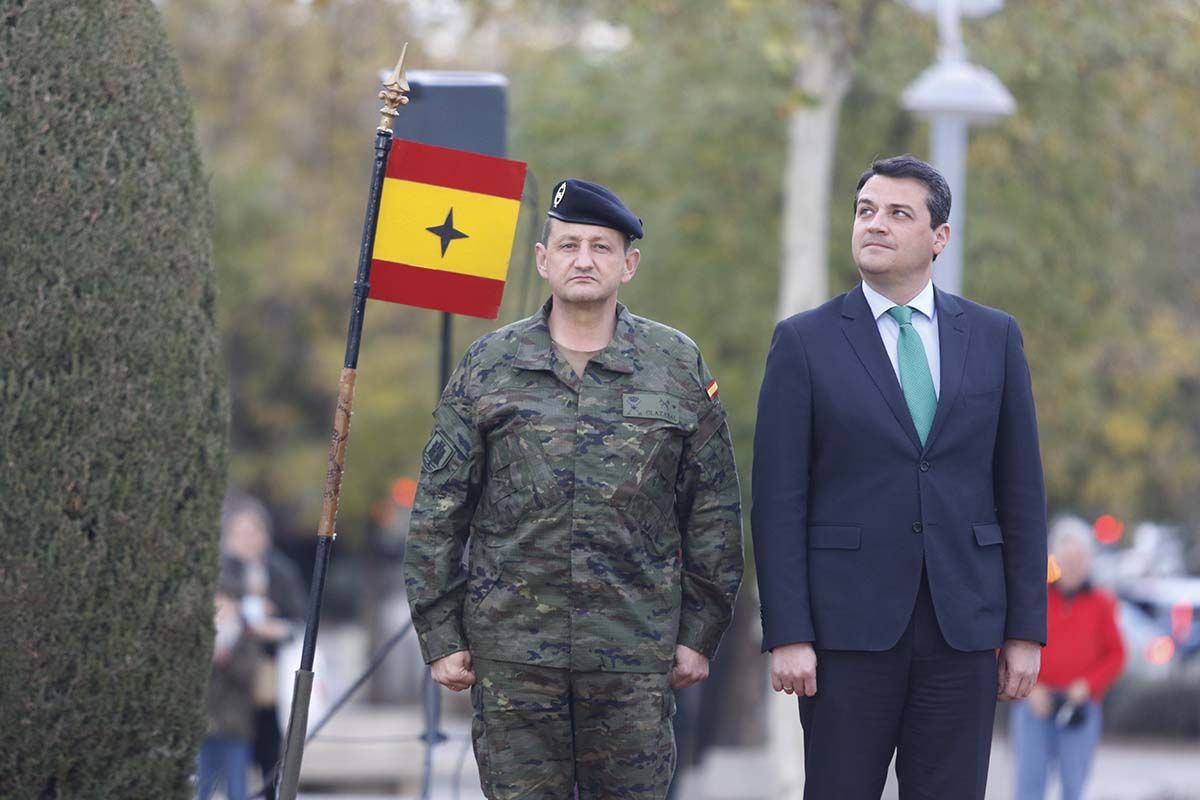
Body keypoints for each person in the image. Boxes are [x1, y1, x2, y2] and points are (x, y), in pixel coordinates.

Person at [404, 178, 744, 800]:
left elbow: (714, 510)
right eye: (568, 245)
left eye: (600, 247)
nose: (583, 260)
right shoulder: (490, 364)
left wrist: (701, 633)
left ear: (628, 264)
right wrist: (440, 634)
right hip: (512, 657)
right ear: (543, 259)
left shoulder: (675, 364)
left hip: (634, 654)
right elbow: (439, 509)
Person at [752, 154, 1048, 799]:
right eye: (865, 211)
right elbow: (777, 503)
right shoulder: (805, 342)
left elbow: (1021, 493)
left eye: (897, 213)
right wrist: (789, 633)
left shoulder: (995, 338)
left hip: (962, 628)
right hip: (845, 633)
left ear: (939, 238)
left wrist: (1025, 631)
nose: (875, 225)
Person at [1011, 516, 1125, 800]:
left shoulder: (1102, 603)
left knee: (1074, 786)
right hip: (1035, 702)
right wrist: (1029, 689)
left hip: (1079, 707)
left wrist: (1088, 685)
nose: (1074, 566)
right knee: (1028, 786)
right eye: (1068, 559)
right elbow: (1008, 645)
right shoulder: (1034, 597)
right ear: (1055, 559)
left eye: (1080, 559)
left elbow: (1117, 654)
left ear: (1090, 561)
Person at [220, 494, 307, 799]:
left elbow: (297, 620)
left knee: (269, 748)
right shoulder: (221, 573)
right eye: (239, 533)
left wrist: (274, 629)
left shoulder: (280, 572)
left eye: (252, 532)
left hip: (268, 676)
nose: (246, 541)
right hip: (226, 683)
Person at [197, 571, 261, 800]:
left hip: (235, 725)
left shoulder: (245, 635)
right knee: (202, 785)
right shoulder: (202, 634)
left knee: (236, 786)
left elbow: (250, 672)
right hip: (206, 724)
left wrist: (226, 659)